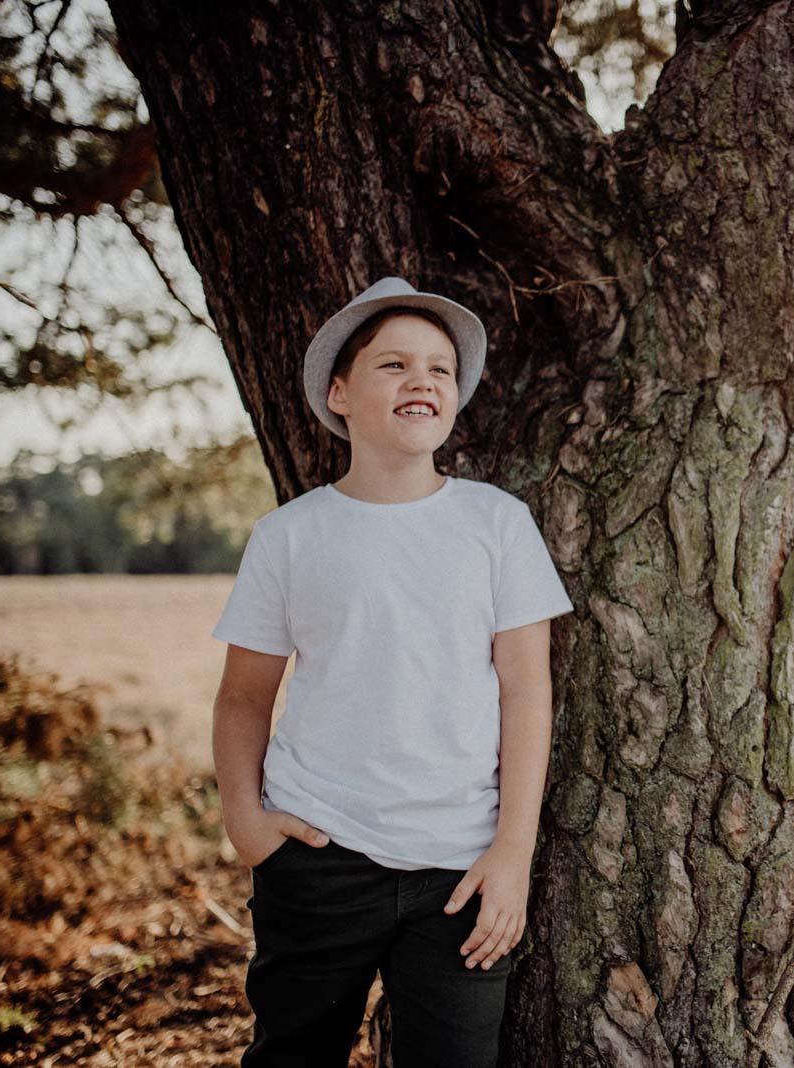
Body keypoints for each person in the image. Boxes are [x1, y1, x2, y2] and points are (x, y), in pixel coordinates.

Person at [210, 276, 574, 1067]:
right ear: (338, 394)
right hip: (316, 857)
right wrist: (247, 822)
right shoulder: (290, 537)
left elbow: (526, 690)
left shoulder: (498, 526)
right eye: (394, 366)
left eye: (441, 369)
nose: (423, 381)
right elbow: (243, 697)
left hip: (462, 870)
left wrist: (513, 854)